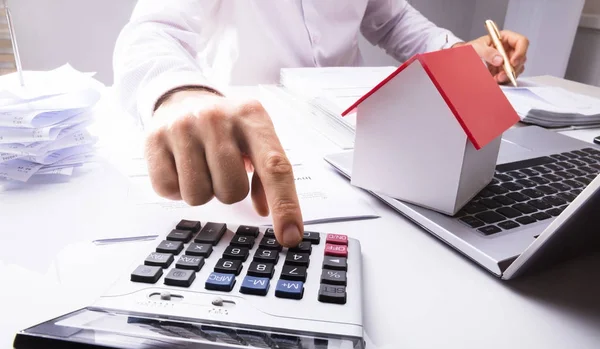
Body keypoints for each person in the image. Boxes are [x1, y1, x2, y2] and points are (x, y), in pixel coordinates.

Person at [113, 0, 529, 248]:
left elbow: (395, 21)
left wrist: (458, 51)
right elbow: (152, 30)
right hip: (251, 149)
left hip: (358, 140)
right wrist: (179, 93)